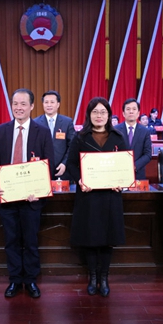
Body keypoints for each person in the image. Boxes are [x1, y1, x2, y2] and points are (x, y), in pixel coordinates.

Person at [0, 88, 54, 299]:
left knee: (31, 241)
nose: (19, 107)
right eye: (15, 103)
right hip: (8, 196)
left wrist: (41, 189)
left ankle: (31, 280)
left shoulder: (42, 131)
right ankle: (15, 280)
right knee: (11, 241)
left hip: (32, 198)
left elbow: (49, 164)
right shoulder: (3, 130)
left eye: (23, 104)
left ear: (32, 106)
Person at [67, 97, 127, 297]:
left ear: (109, 115)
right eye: (95, 112)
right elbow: (71, 165)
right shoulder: (80, 137)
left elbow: (125, 164)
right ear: (89, 115)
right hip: (89, 196)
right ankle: (92, 277)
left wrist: (122, 181)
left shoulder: (118, 137)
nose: (99, 115)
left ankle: (104, 277)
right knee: (91, 238)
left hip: (110, 196)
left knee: (107, 239)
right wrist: (80, 181)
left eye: (103, 112)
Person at [34, 90, 76, 180]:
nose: (49, 105)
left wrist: (65, 163)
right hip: (41, 171)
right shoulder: (35, 123)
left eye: (52, 102)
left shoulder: (67, 122)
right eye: (46, 102)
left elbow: (72, 146)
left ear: (58, 104)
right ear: (43, 104)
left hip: (62, 170)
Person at [115, 98, 152, 180]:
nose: (131, 111)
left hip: (138, 174)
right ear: (123, 113)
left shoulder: (145, 131)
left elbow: (148, 154)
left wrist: (134, 166)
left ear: (138, 113)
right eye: (128, 109)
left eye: (134, 109)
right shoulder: (115, 130)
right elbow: (111, 151)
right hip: (119, 173)